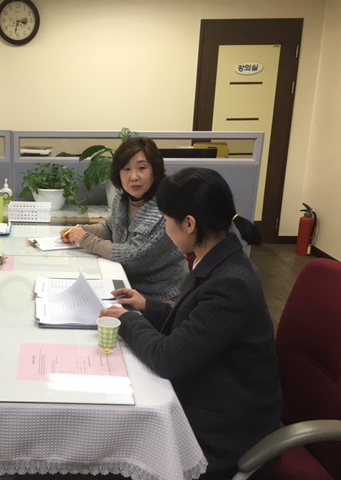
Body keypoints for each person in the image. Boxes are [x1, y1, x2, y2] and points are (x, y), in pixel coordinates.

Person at [101, 167, 282, 479]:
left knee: (110, 440)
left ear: (189, 224)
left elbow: (168, 358)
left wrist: (128, 321)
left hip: (224, 432)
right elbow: (196, 321)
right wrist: (147, 306)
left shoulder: (231, 284)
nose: (165, 227)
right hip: (213, 396)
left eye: (166, 219)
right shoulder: (219, 258)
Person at [60, 137, 188, 301]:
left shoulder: (164, 207)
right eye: (126, 169)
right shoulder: (123, 197)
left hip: (162, 297)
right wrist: (80, 230)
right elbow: (110, 227)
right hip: (126, 285)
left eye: (142, 168)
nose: (133, 177)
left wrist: (85, 239)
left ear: (155, 171)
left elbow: (132, 257)